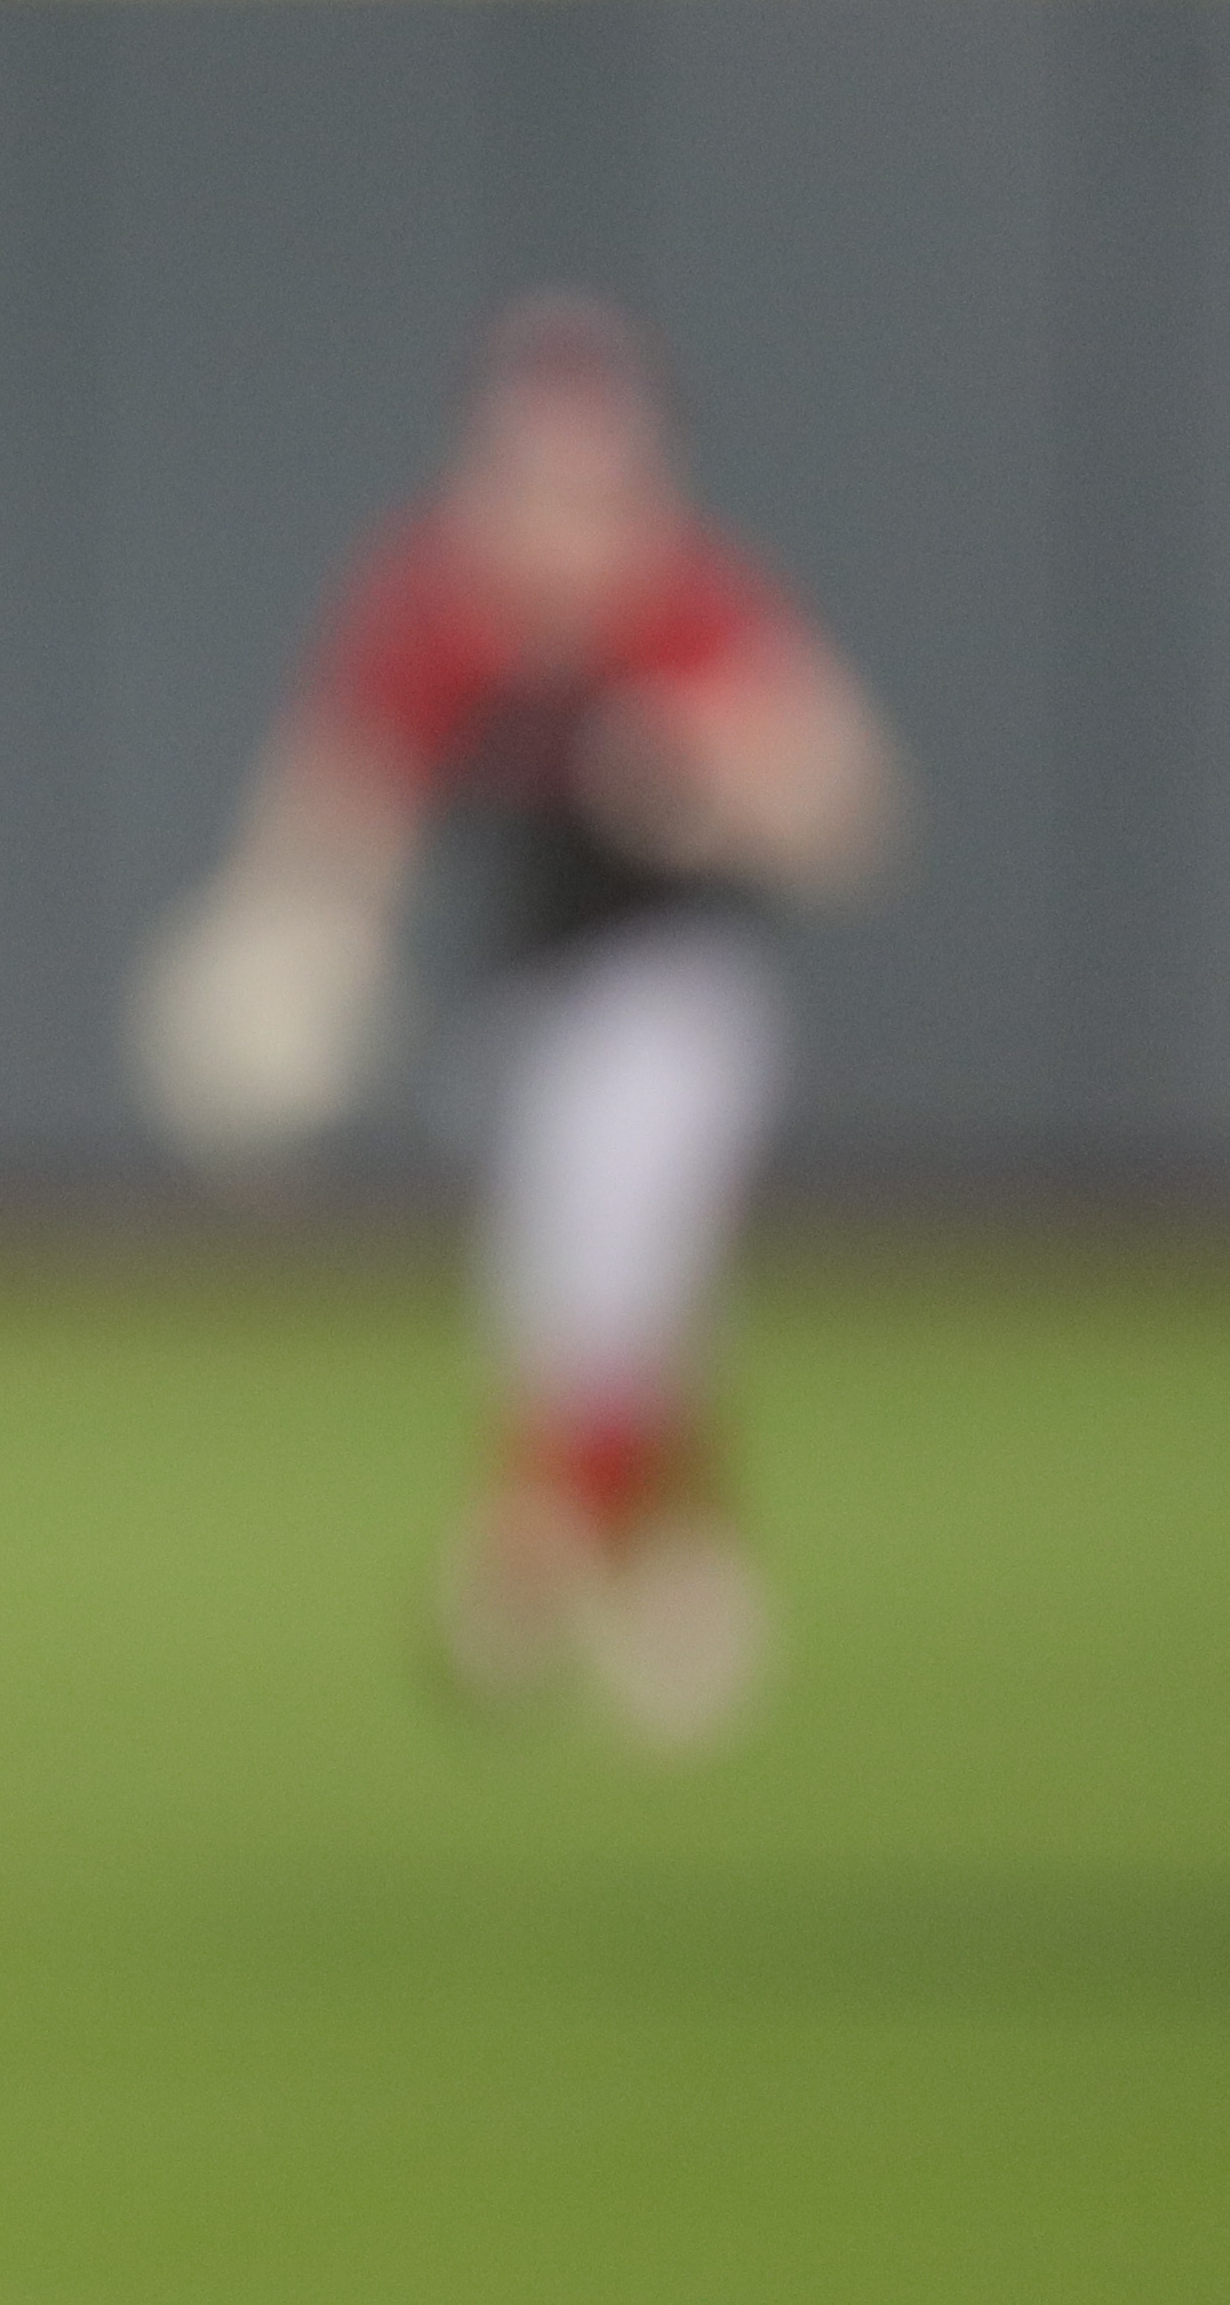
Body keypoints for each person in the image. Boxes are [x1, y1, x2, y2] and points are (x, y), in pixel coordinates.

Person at [131, 290, 897, 1747]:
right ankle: (685, 1579)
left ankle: (520, 1561)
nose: (557, 509)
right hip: (531, 1008)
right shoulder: (441, 605)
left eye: (592, 473)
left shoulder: (690, 608)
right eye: (530, 468)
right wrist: (292, 946)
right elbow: (341, 800)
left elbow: (850, 807)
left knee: (610, 1277)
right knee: (588, 1308)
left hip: (680, 992)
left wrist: (715, 782)